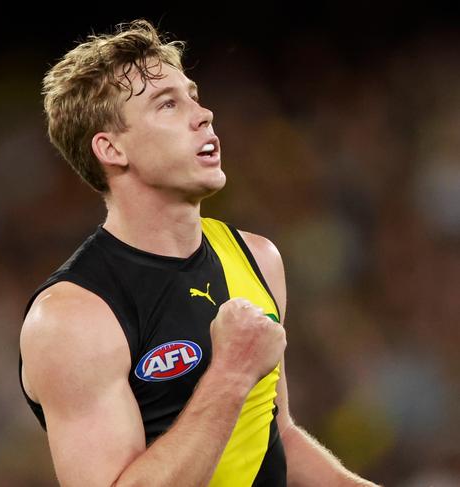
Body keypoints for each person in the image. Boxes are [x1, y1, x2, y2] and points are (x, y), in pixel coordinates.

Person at [19, 19, 380, 487]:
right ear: (111, 148)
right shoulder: (73, 316)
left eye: (193, 95)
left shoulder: (257, 256)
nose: (203, 114)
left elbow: (278, 439)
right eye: (167, 104)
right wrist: (230, 373)